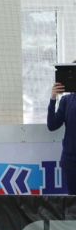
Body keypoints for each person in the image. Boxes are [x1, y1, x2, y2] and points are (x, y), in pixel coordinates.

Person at [47, 62, 76, 194]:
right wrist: (53, 98)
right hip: (70, 159)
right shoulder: (66, 100)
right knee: (73, 199)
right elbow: (52, 125)